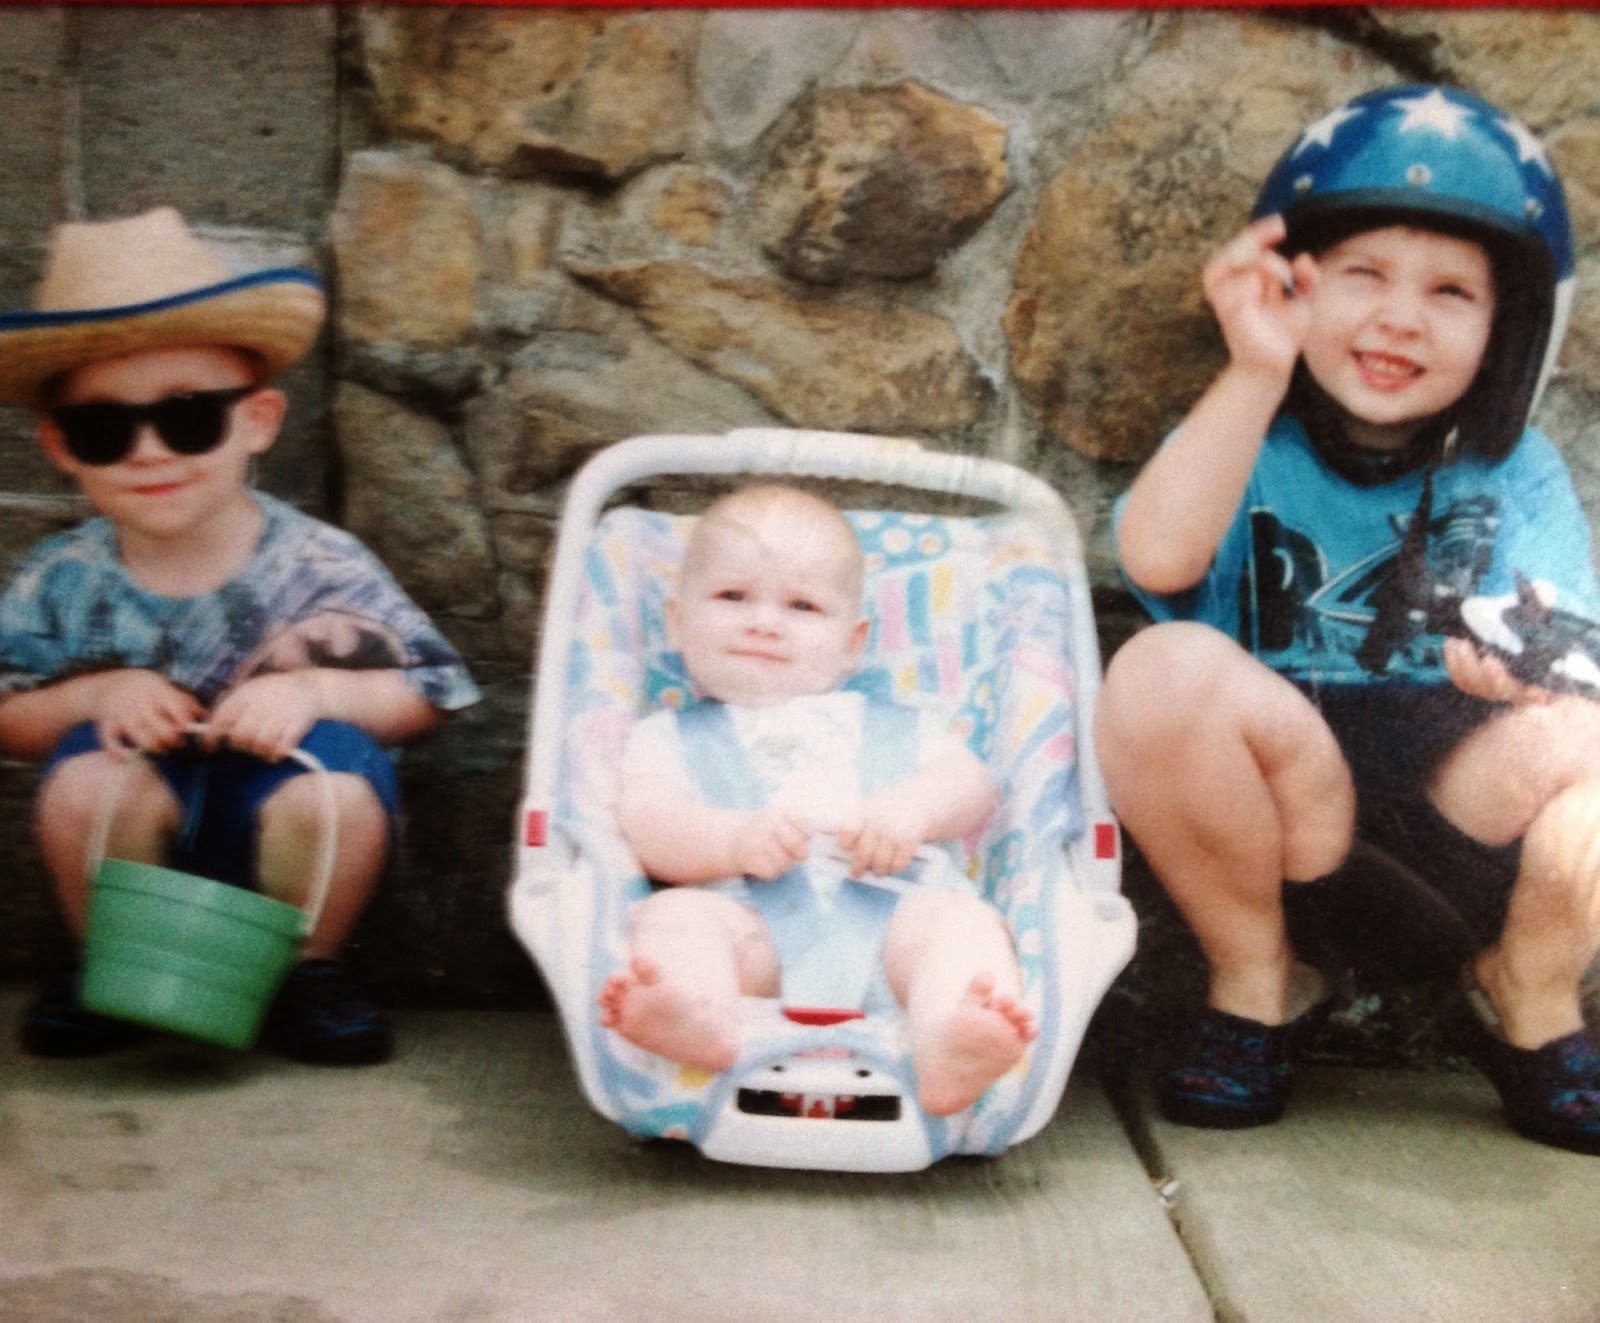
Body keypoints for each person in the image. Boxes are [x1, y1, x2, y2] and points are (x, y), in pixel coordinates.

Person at [1097, 84, 1600, 1155]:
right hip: (1281, 797)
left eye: (1451, 291)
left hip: (1448, 810)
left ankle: (1528, 990)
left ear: (1509, 327)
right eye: (1362, 274)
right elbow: (1155, 559)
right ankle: (1258, 982)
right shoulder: (1249, 432)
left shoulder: (1514, 467)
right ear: (1290, 281)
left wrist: (1524, 672)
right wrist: (1252, 371)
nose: (1400, 318)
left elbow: (1568, 642)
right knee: (1155, 669)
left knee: (1592, 729)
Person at [0, 208, 480, 1065]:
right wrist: (98, 695)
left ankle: (310, 969)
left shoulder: (321, 562)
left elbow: (430, 691)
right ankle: (108, 957)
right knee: (83, 778)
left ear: (257, 420)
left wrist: (313, 690)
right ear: (60, 446)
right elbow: (8, 711)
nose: (150, 452)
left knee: (339, 787)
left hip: (286, 828)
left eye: (188, 418)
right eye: (104, 429)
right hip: (135, 835)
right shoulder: (59, 577)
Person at [596, 483, 1036, 1117]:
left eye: (802, 606)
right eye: (732, 596)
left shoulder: (898, 725)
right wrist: (729, 841)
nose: (764, 622)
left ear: (853, 643)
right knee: (674, 918)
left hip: (895, 926)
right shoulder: (663, 736)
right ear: (678, 621)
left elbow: (974, 787)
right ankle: (697, 1014)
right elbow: (648, 825)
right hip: (751, 938)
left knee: (962, 925)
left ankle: (951, 1041)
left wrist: (910, 812)